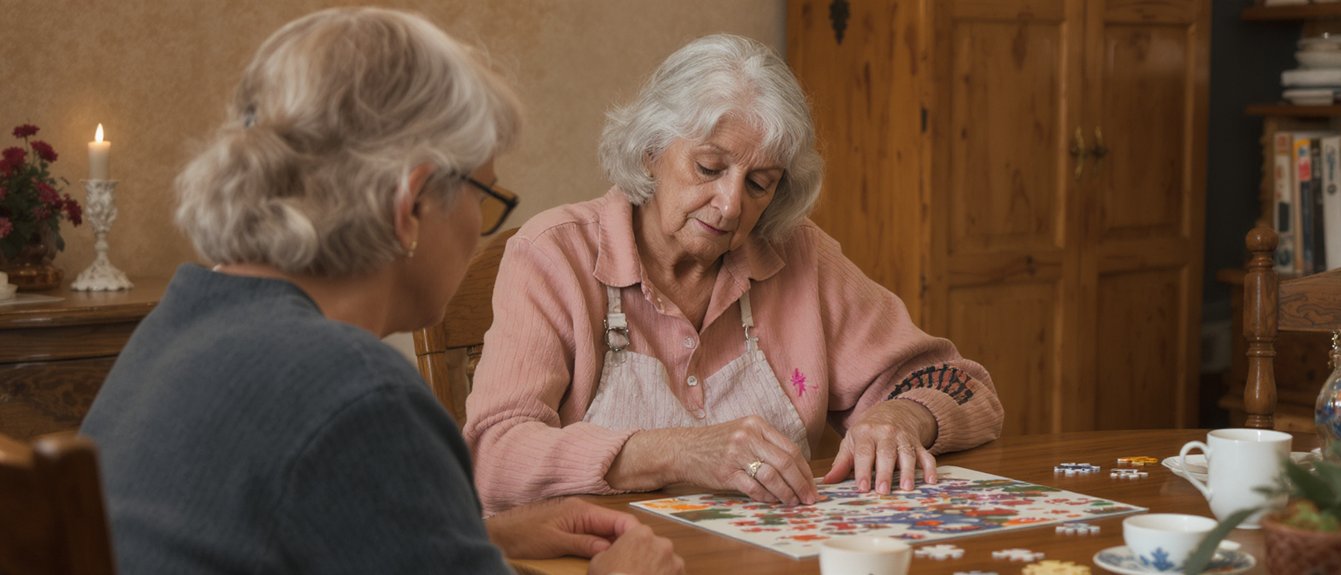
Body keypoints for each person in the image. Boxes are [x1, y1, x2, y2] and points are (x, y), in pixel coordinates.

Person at [80, 8, 681, 574]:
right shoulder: (357, 391)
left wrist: (485, 534)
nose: (479, 226)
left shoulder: (181, 320)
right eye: (484, 194)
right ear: (412, 204)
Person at [464, 33, 1004, 514]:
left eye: (759, 183)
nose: (728, 206)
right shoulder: (554, 254)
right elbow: (494, 456)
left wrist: (901, 420)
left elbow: (962, 385)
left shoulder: (798, 256)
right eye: (709, 168)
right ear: (652, 149)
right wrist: (677, 451)